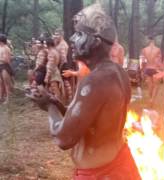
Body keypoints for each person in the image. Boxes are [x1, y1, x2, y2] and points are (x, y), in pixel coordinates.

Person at [27, 3, 141, 179]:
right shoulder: (119, 73)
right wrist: (55, 102)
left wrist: (48, 107)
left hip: (100, 174)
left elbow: (64, 138)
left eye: (79, 34)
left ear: (95, 42)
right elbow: (86, 122)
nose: (72, 39)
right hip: (120, 165)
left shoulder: (95, 81)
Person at [140, 36, 162, 106]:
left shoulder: (144, 49)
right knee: (156, 85)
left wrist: (142, 70)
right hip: (155, 68)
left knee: (150, 86)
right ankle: (153, 99)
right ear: (154, 41)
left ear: (149, 41)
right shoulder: (158, 49)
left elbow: (143, 61)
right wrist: (160, 69)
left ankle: (150, 98)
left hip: (148, 68)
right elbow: (158, 61)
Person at [53, 28, 73, 104]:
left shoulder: (62, 45)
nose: (56, 36)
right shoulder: (59, 44)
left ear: (61, 35)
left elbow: (63, 58)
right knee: (64, 82)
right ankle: (65, 98)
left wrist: (60, 67)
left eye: (57, 34)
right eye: (55, 34)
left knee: (65, 82)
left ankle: (69, 99)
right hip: (61, 65)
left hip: (63, 65)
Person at [45, 37, 64, 101]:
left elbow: (50, 65)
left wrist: (47, 76)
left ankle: (58, 104)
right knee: (54, 89)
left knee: (55, 89)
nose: (44, 45)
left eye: (45, 43)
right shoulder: (55, 51)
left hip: (53, 73)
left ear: (48, 44)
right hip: (55, 71)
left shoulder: (52, 53)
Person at [0, 33, 13, 104]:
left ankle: (8, 99)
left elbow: (7, 60)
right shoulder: (0, 47)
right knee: (1, 83)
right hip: (0, 66)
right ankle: (1, 97)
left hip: (5, 66)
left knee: (6, 83)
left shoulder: (6, 48)